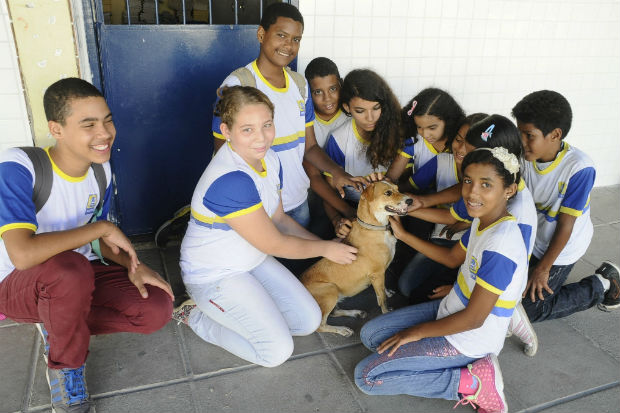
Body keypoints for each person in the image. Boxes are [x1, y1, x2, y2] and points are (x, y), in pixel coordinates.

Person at [0, 78, 174, 413]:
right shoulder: (19, 166)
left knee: (156, 308)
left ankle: (59, 323)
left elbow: (98, 241)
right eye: (89, 124)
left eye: (108, 119)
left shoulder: (101, 172)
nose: (105, 133)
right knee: (69, 270)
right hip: (15, 283)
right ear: (57, 128)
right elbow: (22, 255)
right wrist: (103, 226)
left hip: (74, 277)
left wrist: (135, 267)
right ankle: (66, 372)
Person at [175, 86, 357, 367]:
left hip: (251, 260)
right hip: (215, 275)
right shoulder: (232, 178)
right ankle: (196, 315)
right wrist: (327, 249)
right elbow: (275, 243)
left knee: (307, 320)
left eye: (267, 125)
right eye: (247, 129)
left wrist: (330, 249)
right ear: (226, 131)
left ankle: (244, 314)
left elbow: (280, 220)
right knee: (275, 352)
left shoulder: (270, 160)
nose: (261, 138)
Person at [354, 147, 527, 413]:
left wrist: (414, 333)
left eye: (486, 184)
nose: (472, 192)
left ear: (509, 190)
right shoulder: (483, 221)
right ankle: (449, 361)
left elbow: (474, 319)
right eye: (468, 181)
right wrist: (403, 236)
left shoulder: (500, 245)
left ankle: (471, 380)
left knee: (366, 377)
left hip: (468, 335)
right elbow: (450, 259)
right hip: (452, 307)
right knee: (371, 335)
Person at [211, 3, 363, 228]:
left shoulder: (300, 85)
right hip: (258, 206)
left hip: (297, 201)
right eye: (281, 35)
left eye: (296, 39)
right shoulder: (239, 85)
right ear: (261, 34)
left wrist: (337, 172)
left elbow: (309, 147)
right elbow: (222, 152)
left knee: (297, 262)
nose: (289, 46)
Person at [512, 90, 620, 320]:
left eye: (529, 135)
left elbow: (565, 225)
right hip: (532, 239)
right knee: (506, 291)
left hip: (563, 247)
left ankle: (604, 284)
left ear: (555, 134)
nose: (522, 141)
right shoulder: (522, 156)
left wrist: (543, 268)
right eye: (519, 132)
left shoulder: (579, 168)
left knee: (529, 311)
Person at [397, 113, 488, 300]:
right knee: (406, 286)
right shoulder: (442, 162)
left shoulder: (489, 175)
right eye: (458, 140)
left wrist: (467, 223)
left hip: (474, 249)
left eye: (470, 145)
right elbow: (410, 188)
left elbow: (452, 216)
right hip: (442, 238)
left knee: (431, 293)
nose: (461, 149)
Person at [322, 69, 403, 236]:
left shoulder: (397, 133)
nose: (370, 117)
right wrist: (337, 219)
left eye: (376, 108)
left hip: (393, 206)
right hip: (352, 208)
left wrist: (387, 183)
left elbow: (409, 179)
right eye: (360, 111)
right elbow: (329, 191)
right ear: (347, 107)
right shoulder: (338, 140)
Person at [303, 57, 355, 237]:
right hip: (318, 192)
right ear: (309, 93)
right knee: (318, 228)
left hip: (351, 187)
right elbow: (314, 178)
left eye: (332, 89)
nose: (327, 99)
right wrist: (346, 213)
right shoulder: (305, 123)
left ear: (341, 85)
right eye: (318, 92)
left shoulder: (352, 114)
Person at [387, 87, 465, 191]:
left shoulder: (459, 147)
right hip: (419, 197)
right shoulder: (415, 141)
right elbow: (390, 178)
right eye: (419, 127)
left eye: (432, 128)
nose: (425, 134)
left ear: (449, 122)